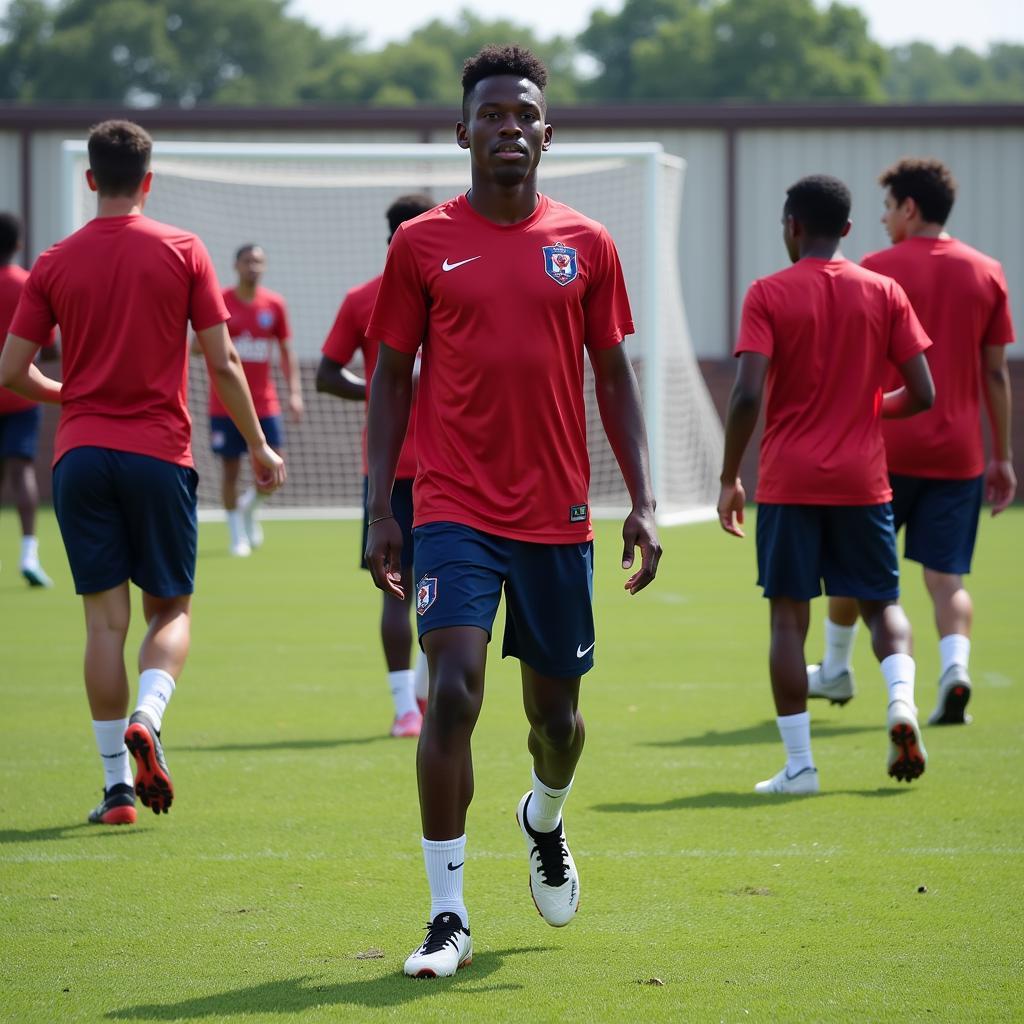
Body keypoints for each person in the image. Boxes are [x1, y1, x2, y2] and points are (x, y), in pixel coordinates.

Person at [364, 45, 662, 979]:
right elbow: (389, 378)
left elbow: (613, 377)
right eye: (490, 114)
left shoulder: (589, 245)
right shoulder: (419, 246)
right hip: (452, 509)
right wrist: (384, 507)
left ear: (545, 131)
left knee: (558, 727)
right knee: (450, 691)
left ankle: (545, 814)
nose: (507, 127)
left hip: (556, 518)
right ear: (463, 134)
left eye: (522, 114)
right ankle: (447, 915)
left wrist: (644, 502)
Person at [0, 120, 285, 826]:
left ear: (91, 179)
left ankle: (115, 791)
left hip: (81, 456)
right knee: (171, 610)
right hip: (160, 453)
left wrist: (73, 395)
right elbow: (220, 362)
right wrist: (258, 446)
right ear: (147, 180)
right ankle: (149, 716)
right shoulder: (184, 249)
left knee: (104, 626)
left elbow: (11, 371)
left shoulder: (55, 261)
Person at [717, 174, 935, 796]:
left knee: (789, 621)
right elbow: (923, 393)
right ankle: (900, 704)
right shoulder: (884, 291)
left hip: (789, 483)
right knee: (882, 606)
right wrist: (870, 406)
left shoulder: (767, 293)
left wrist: (731, 475)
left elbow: (748, 393)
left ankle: (801, 767)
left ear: (791, 226)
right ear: (846, 229)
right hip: (864, 483)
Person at [808, 159, 1016, 726]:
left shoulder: (874, 271)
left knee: (854, 571)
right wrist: (1001, 454)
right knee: (947, 579)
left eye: (888, 208)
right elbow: (995, 373)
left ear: (910, 208)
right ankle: (957, 671)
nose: (882, 219)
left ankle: (834, 667)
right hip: (960, 454)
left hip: (881, 450)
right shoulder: (987, 271)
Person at [316, 193, 435, 739]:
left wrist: (376, 393)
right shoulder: (445, 288)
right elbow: (325, 374)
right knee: (445, 586)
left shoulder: (366, 297)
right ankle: (418, 700)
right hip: (442, 468)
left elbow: (326, 374)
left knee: (399, 588)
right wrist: (391, 390)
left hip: (391, 470)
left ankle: (407, 707)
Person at [207, 244, 300, 557]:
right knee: (230, 471)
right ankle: (237, 536)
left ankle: (249, 508)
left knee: (274, 471)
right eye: (248, 261)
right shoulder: (220, 301)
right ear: (236, 265)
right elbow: (197, 345)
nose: (253, 266)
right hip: (225, 404)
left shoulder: (274, 304)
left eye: (259, 261)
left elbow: (287, 351)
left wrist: (295, 393)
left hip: (265, 404)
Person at [0, 212, 54, 587]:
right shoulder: (26, 283)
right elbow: (47, 348)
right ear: (18, 245)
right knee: (22, 473)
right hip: (20, 393)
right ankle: (29, 553)